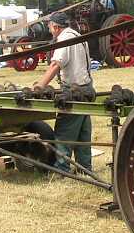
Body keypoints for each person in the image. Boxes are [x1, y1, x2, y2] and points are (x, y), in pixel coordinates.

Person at [34, 12, 94, 173]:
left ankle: (61, 170)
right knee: (82, 132)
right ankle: (85, 168)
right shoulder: (77, 35)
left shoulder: (64, 39)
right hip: (87, 88)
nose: (49, 29)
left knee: (64, 132)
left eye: (50, 26)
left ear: (55, 26)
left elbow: (55, 65)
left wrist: (39, 86)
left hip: (74, 91)